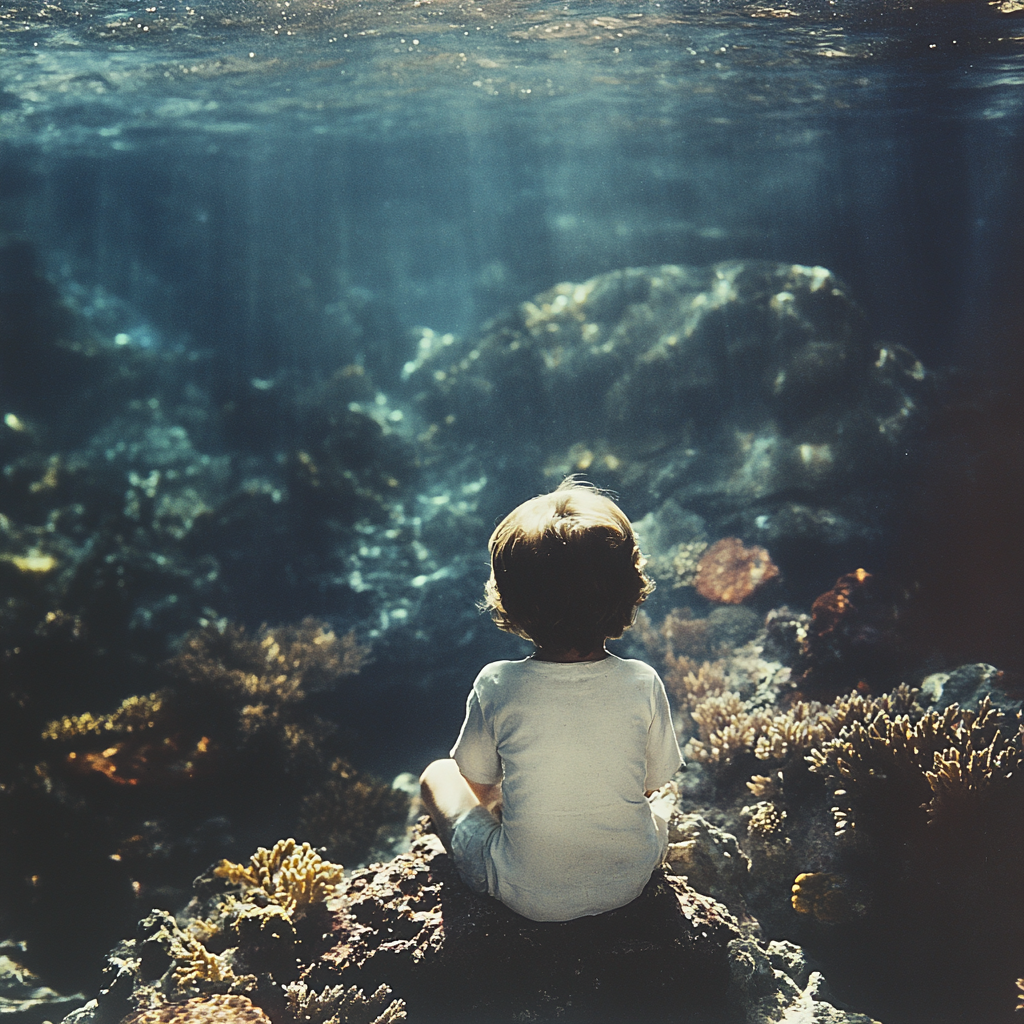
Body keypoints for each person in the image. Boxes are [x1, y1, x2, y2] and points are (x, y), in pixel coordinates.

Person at [420, 477, 682, 923]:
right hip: (630, 881)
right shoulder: (643, 681)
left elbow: (479, 789)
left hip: (525, 893)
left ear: (508, 600)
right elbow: (648, 784)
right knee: (661, 801)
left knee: (438, 774)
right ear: (630, 587)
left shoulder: (497, 684)